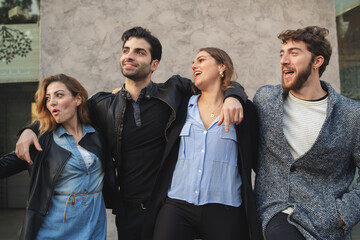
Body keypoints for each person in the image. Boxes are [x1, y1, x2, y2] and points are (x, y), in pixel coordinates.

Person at [15, 27, 248, 240]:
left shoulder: (174, 90)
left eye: (139, 52)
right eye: (126, 50)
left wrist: (233, 96)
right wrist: (29, 130)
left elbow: (218, 84)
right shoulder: (103, 104)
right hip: (129, 210)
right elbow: (66, 113)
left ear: (154, 64)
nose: (129, 56)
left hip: (167, 204)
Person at [141, 47, 262, 240]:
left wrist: (234, 96)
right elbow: (148, 94)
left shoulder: (244, 110)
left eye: (201, 60)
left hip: (226, 208)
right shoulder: (181, 105)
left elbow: (257, 157)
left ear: (221, 67)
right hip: (177, 204)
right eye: (193, 62)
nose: (194, 65)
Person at [253, 26, 360, 240]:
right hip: (277, 213)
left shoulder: (351, 114)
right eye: (282, 53)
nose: (284, 60)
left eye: (294, 53)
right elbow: (231, 89)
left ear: (317, 61)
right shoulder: (265, 100)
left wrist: (343, 214)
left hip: (328, 225)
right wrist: (231, 97)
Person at [0, 74, 107, 239]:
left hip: (93, 228)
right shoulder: (43, 141)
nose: (52, 102)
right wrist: (29, 130)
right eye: (48, 98)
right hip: (54, 231)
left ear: (77, 99)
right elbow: (5, 166)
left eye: (59, 95)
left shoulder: (97, 134)